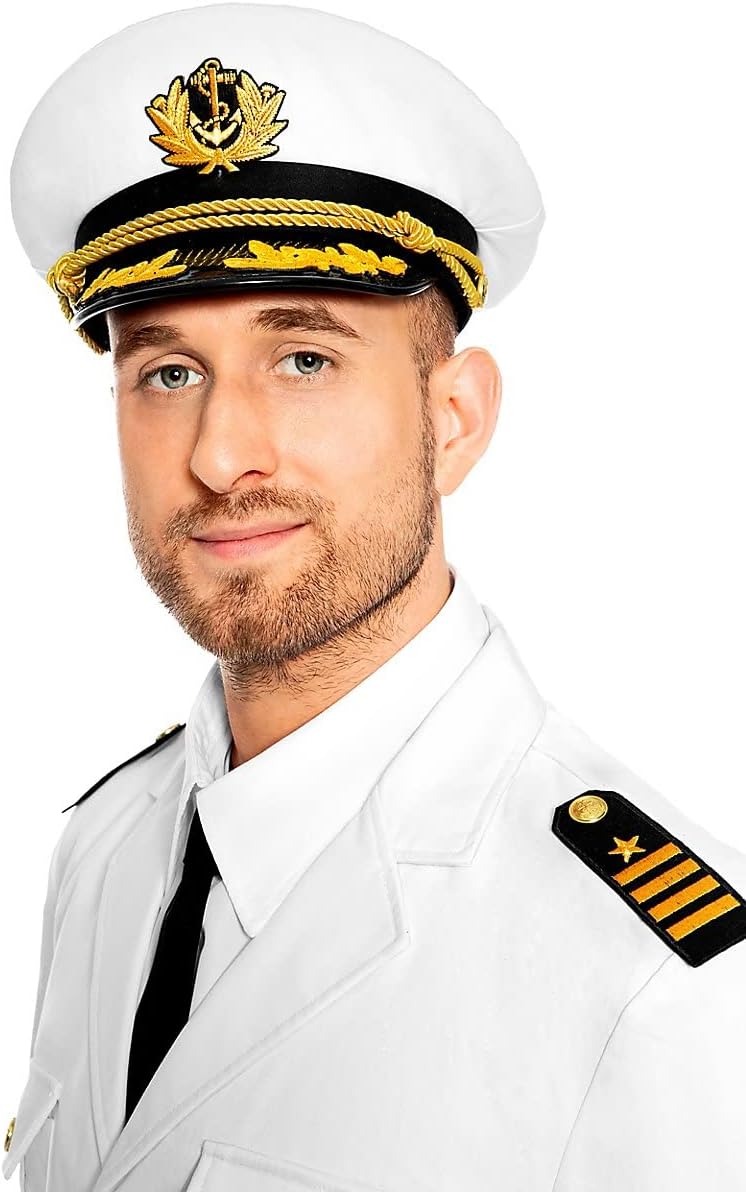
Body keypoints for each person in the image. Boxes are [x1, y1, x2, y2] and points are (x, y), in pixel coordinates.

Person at [4, 4, 745, 1190]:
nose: (220, 455)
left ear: (453, 420)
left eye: (304, 359)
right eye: (168, 371)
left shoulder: (651, 986)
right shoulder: (102, 847)